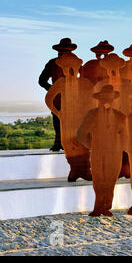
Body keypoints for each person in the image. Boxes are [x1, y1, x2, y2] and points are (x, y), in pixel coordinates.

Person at [76, 85, 126, 216]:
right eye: (104, 98)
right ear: (99, 99)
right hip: (98, 153)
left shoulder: (120, 116)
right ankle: (98, 207)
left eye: (109, 98)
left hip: (115, 154)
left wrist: (119, 146)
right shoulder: (92, 115)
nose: (107, 101)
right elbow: (81, 134)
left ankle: (106, 207)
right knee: (98, 179)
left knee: (111, 180)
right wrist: (93, 145)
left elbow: (126, 135)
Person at [45, 52, 95, 182]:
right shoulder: (61, 82)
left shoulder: (85, 83)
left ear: (78, 68)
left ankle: (85, 171)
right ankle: (74, 171)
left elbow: (94, 100)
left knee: (84, 144)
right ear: (64, 69)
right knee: (68, 144)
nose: (72, 70)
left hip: (82, 120)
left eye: (74, 67)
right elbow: (49, 98)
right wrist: (58, 113)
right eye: (68, 68)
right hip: (67, 120)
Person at [38, 38, 76, 151]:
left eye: (67, 51)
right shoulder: (52, 63)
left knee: (70, 122)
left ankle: (66, 144)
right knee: (58, 121)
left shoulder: (75, 62)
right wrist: (52, 89)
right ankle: (59, 143)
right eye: (64, 50)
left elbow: (42, 81)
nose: (65, 53)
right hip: (59, 99)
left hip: (71, 98)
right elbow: (42, 80)